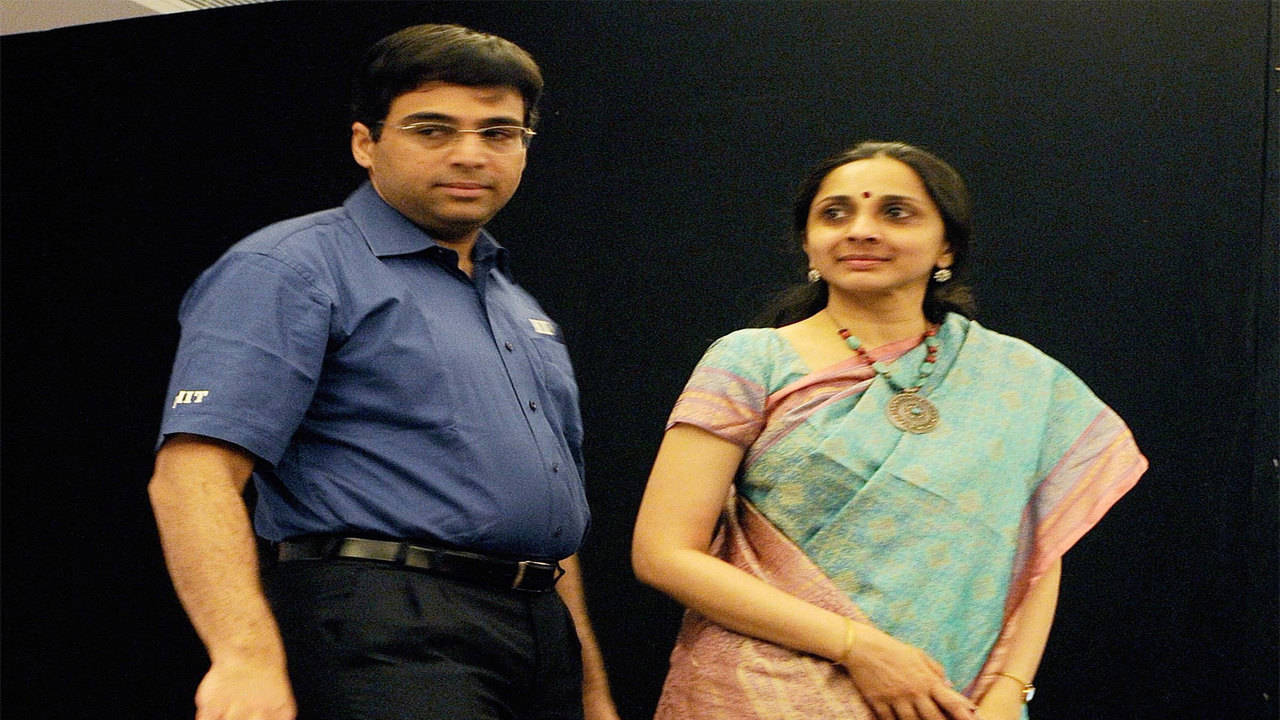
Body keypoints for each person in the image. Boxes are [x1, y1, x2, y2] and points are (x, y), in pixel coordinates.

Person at [149, 23, 619, 720]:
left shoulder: (518, 306)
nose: (470, 154)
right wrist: (242, 656)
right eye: (434, 130)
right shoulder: (291, 268)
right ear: (365, 142)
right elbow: (193, 474)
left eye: (498, 133)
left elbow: (550, 525)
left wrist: (591, 693)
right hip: (381, 622)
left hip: (538, 626)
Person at [632, 141, 1147, 720]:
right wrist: (859, 648)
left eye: (895, 213)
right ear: (807, 241)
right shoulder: (751, 361)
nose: (861, 230)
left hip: (955, 699)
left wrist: (1010, 687)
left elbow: (1036, 545)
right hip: (759, 691)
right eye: (835, 214)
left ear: (946, 243)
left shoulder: (1019, 379)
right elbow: (664, 552)